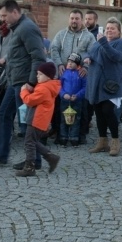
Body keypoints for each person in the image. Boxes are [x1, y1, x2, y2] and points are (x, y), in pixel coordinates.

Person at [0, 0, 47, 166]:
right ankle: (2, 154)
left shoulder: (27, 29)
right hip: (14, 81)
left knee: (25, 122)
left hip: (25, 83)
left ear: (15, 12)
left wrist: (32, 82)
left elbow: (38, 57)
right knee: (4, 114)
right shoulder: (16, 28)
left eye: (4, 15)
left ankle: (34, 160)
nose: (2, 19)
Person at [49, 9, 95, 144]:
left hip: (81, 76)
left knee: (82, 107)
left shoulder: (89, 37)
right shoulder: (61, 34)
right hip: (64, 74)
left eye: (77, 18)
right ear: (69, 19)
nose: (74, 21)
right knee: (59, 105)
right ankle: (58, 131)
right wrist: (58, 64)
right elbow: (54, 49)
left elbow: (93, 53)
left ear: (81, 20)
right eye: (72, 18)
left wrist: (86, 67)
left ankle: (80, 134)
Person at [86, 17, 122, 157]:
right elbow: (91, 53)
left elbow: (115, 57)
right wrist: (88, 58)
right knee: (98, 112)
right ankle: (102, 141)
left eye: (112, 28)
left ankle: (115, 141)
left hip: (111, 84)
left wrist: (104, 43)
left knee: (108, 111)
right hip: (97, 83)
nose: (109, 30)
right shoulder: (99, 43)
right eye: (107, 28)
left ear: (118, 31)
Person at [15, 61, 61, 177]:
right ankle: (51, 157)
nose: (37, 76)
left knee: (29, 143)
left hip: (36, 120)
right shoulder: (48, 87)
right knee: (33, 141)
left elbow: (29, 100)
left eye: (40, 74)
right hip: (40, 120)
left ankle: (29, 167)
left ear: (48, 76)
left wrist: (24, 91)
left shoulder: (44, 89)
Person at [59, 53, 87, 146]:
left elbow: (84, 87)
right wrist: (63, 94)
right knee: (63, 119)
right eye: (69, 61)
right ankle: (63, 137)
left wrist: (78, 95)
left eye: (73, 62)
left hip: (77, 101)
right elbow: (59, 86)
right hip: (65, 100)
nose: (70, 64)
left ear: (78, 64)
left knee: (76, 119)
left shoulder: (81, 74)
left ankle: (74, 137)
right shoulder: (64, 73)